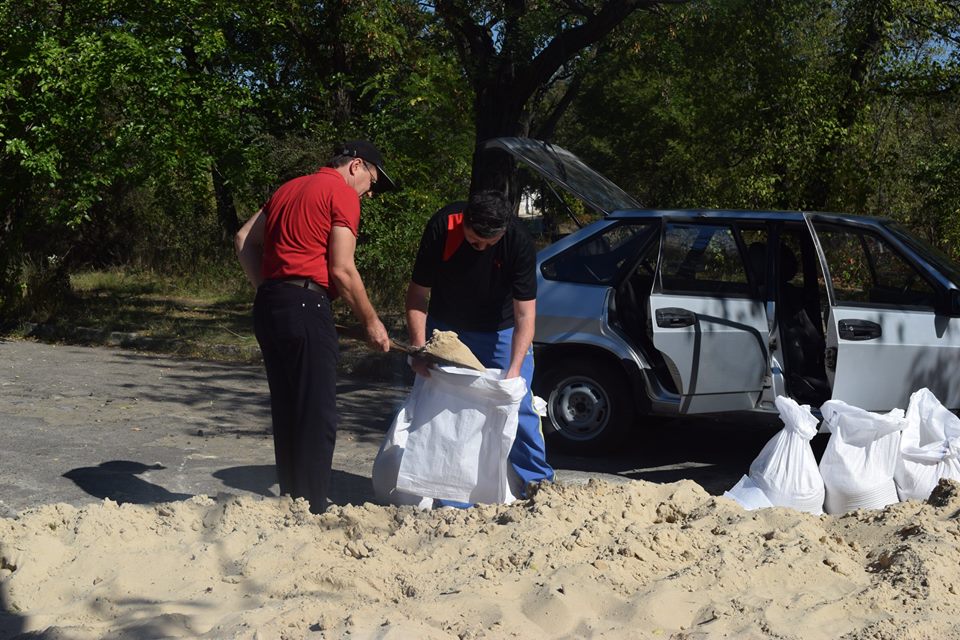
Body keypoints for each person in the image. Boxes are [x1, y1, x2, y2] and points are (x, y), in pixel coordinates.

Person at [235, 140, 396, 514]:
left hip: (271, 306)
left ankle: (291, 501)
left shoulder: (288, 188)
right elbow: (342, 268)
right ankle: (311, 509)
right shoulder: (341, 194)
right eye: (372, 181)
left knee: (289, 406)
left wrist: (273, 289)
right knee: (317, 412)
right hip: (306, 304)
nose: (370, 193)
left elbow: (244, 239)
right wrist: (371, 323)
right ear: (356, 165)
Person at [404, 189, 554, 502]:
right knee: (448, 407)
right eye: (475, 241)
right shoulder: (442, 227)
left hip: (501, 329)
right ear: (465, 223)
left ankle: (537, 484)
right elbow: (417, 296)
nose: (481, 247)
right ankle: (450, 495)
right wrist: (419, 349)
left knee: (519, 401)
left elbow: (525, 312)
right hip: (448, 332)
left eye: (489, 243)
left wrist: (514, 370)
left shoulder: (518, 241)